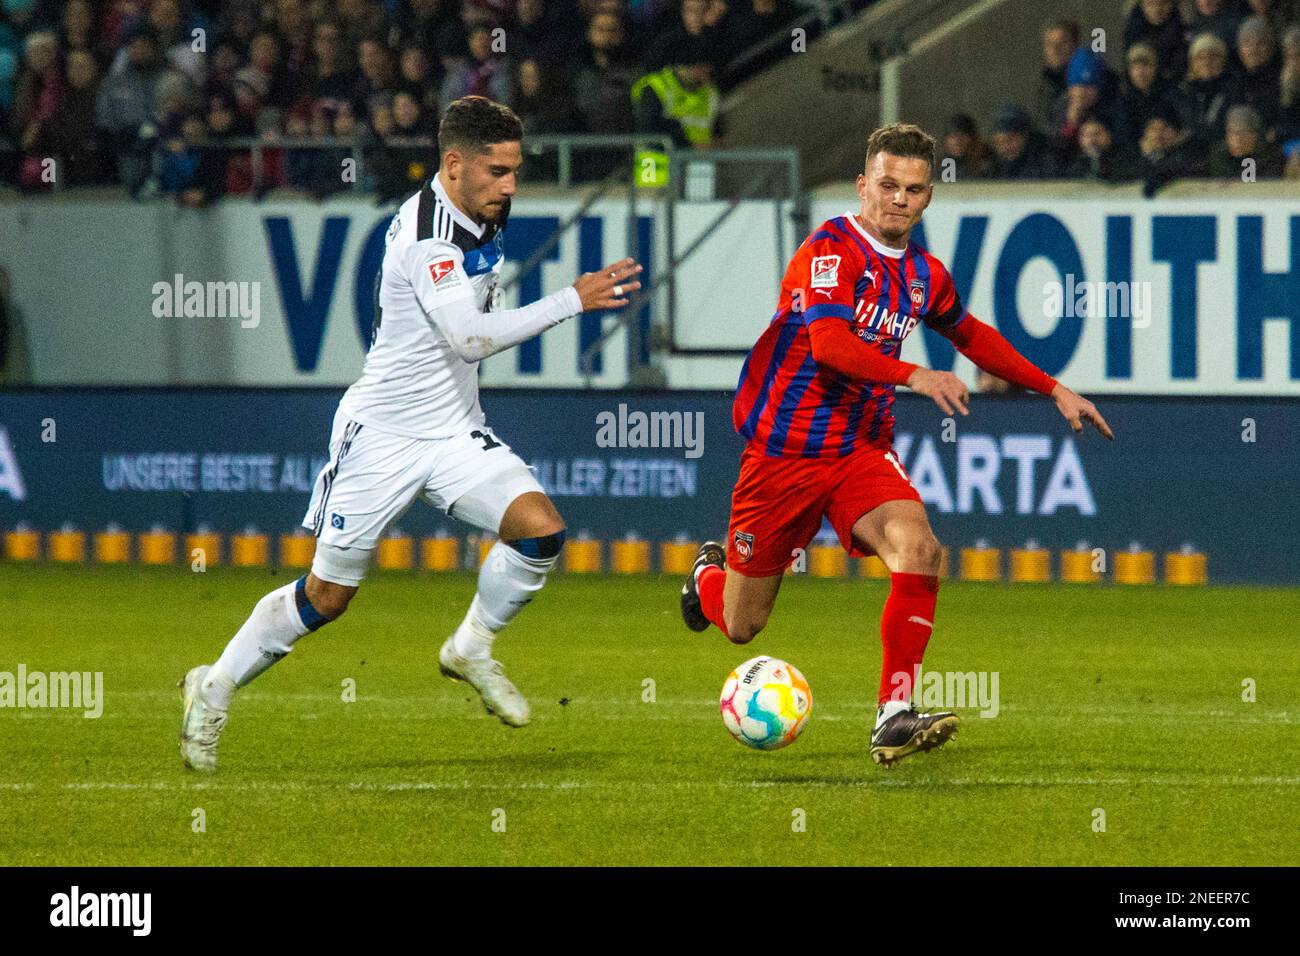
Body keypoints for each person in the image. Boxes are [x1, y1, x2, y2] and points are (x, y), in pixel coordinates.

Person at [179, 96, 643, 772]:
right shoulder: (428, 236)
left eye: (516, 170)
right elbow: (469, 336)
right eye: (498, 172)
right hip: (383, 435)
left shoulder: (480, 210)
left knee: (540, 530)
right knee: (327, 597)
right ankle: (212, 688)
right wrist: (572, 300)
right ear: (454, 165)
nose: (511, 186)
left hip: (455, 432)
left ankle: (470, 648)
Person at [678, 123, 1113, 768]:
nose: (898, 199)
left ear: (928, 197)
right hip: (784, 453)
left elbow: (971, 334)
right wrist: (914, 373)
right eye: (886, 185)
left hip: (857, 447)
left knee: (921, 547)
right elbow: (829, 345)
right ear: (863, 186)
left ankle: (892, 713)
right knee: (743, 625)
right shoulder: (829, 251)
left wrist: (1052, 388)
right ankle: (705, 577)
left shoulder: (922, 274)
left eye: (912, 189)